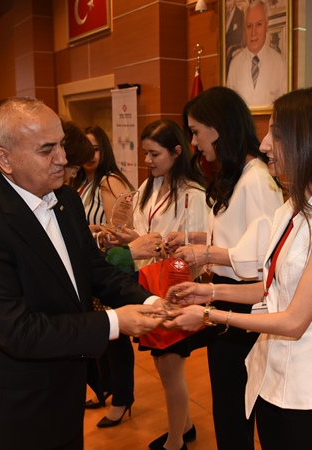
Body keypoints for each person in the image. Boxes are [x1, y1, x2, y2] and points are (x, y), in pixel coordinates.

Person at [0, 97, 165, 450]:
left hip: (63, 391)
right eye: (47, 150)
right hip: (11, 409)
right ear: (4, 159)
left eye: (61, 144)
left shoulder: (65, 200)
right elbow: (18, 331)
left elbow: (93, 269)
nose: (62, 158)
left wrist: (152, 302)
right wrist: (115, 322)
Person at [168, 87, 312, 450]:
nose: (263, 145)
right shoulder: (292, 207)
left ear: (308, 141)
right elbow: (271, 288)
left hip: (309, 383)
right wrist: (209, 292)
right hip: (272, 370)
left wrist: (210, 315)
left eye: (275, 134)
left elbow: (294, 321)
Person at [166, 86, 283, 450]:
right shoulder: (238, 174)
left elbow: (261, 255)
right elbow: (238, 235)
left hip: (244, 302)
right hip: (225, 295)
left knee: (234, 409)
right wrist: (197, 240)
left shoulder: (257, 178)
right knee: (227, 404)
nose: (194, 142)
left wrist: (206, 254)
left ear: (218, 127)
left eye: (196, 131)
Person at [107, 119, 209, 450]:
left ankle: (176, 442)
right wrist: (132, 240)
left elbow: (199, 251)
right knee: (162, 363)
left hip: (175, 290)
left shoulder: (193, 194)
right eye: (145, 153)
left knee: (170, 368)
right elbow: (144, 234)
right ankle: (186, 427)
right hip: (148, 285)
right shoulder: (147, 188)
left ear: (177, 152)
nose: (147, 160)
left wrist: (164, 245)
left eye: (154, 154)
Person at [67, 124, 142, 428]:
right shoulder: (82, 182)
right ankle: (106, 387)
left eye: (95, 148)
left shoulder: (109, 181)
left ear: (105, 150)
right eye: (85, 149)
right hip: (94, 266)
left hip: (112, 266)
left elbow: (121, 230)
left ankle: (123, 398)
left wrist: (96, 235)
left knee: (116, 336)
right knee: (101, 334)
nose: (90, 155)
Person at [226, 0, 287, 108]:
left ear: (266, 26)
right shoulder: (235, 64)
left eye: (259, 24)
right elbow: (230, 108)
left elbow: (285, 109)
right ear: (244, 29)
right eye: (249, 26)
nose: (253, 32)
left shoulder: (280, 63)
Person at [225, 0, 245, 72]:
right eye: (226, 2)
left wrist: (230, 48)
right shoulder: (224, 16)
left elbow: (240, 37)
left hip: (233, 49)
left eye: (229, 1)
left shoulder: (240, 14)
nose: (227, 4)